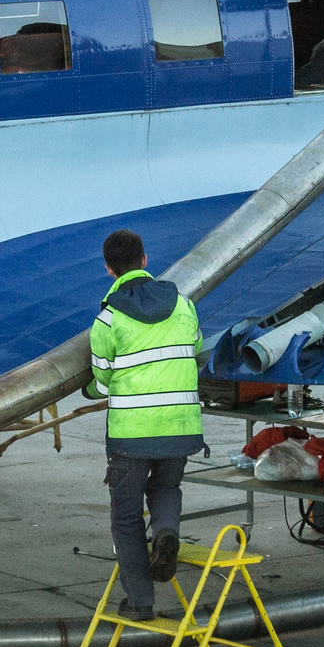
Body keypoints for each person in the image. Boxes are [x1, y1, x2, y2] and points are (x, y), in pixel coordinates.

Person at [86, 228, 205, 620]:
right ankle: (166, 532)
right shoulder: (184, 305)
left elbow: (103, 381)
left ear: (109, 269)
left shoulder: (108, 320)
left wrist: (90, 386)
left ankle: (140, 603)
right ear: (144, 260)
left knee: (126, 516)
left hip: (131, 435)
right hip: (180, 426)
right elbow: (196, 347)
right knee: (167, 487)